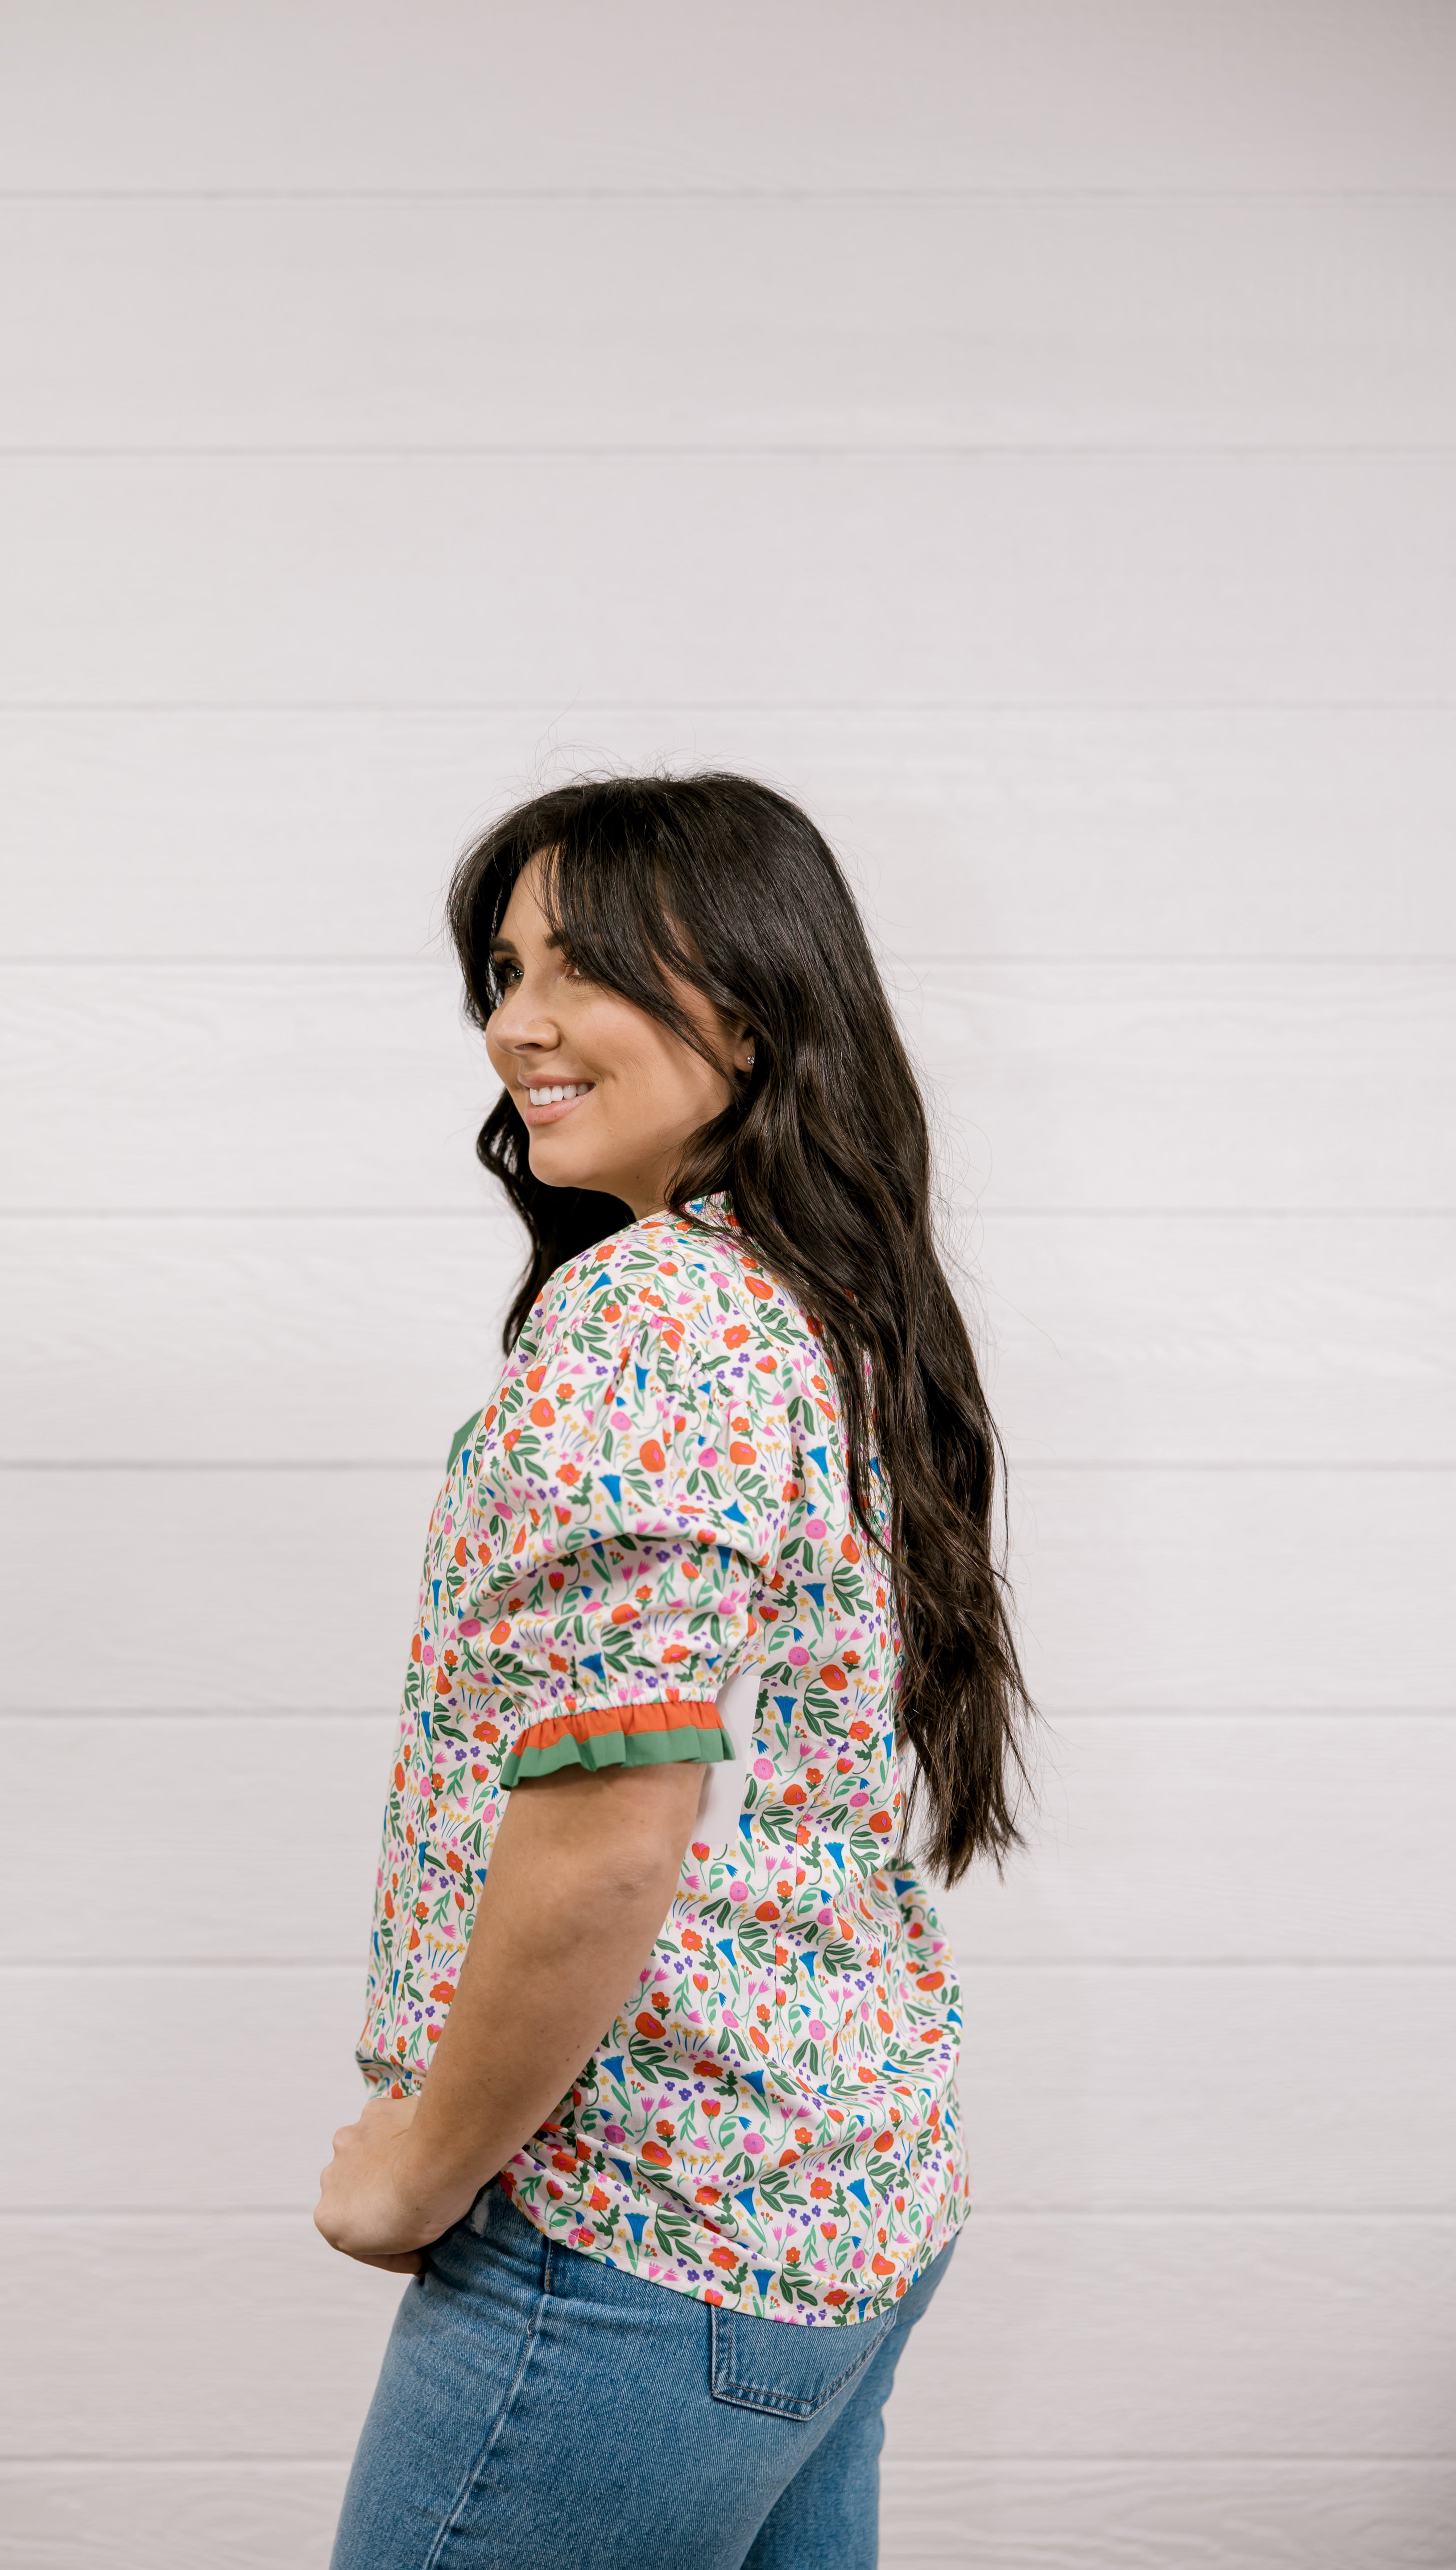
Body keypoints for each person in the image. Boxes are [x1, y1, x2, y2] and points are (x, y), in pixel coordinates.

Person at [317, 775, 1034, 2569]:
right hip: (837, 2201)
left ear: (753, 1005)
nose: (518, 1024)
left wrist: (420, 2167)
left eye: (586, 966)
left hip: (639, 2231)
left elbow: (611, 1837)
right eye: (505, 971)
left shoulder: (656, 1316)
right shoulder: (826, 1305)